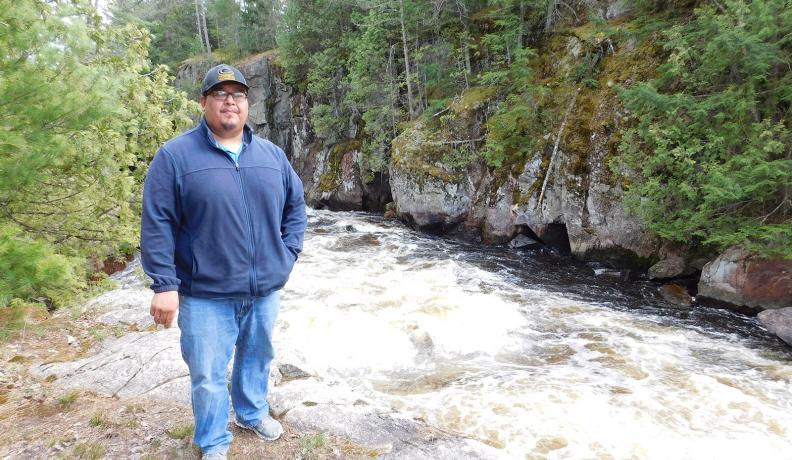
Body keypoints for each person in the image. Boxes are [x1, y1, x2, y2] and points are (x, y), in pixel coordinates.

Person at [140, 63, 307, 460]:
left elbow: (296, 206)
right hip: (205, 294)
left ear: (247, 104)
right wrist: (164, 285)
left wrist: (287, 254)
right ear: (204, 102)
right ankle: (214, 443)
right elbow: (157, 220)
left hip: (264, 289)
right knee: (208, 375)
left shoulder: (271, 155)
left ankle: (251, 413)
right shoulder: (175, 156)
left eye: (238, 94)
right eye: (220, 94)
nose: (230, 101)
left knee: (257, 357)